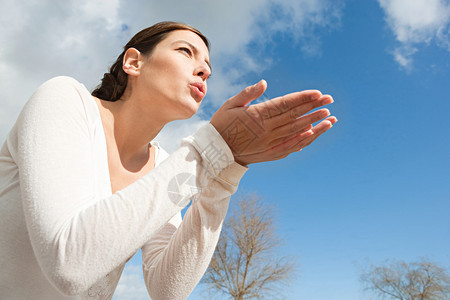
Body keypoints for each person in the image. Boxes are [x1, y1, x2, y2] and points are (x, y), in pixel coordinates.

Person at [0, 21, 337, 299]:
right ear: (134, 62)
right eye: (185, 51)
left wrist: (224, 172)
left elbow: (167, 289)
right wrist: (212, 150)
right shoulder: (64, 99)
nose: (203, 70)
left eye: (207, 67)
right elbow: (69, 264)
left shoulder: (163, 165)